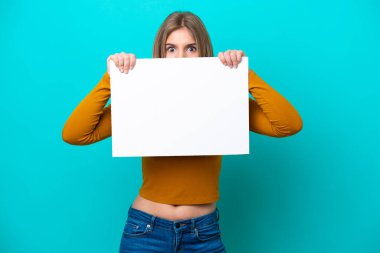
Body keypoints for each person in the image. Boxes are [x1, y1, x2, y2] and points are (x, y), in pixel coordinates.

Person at [62, 11, 303, 253]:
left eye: (190, 48)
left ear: (203, 51)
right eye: (171, 49)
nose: (181, 57)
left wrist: (244, 75)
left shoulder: (225, 100)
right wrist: (110, 79)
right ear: (161, 53)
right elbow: (76, 134)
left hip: (203, 234)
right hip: (145, 231)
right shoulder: (141, 99)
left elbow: (288, 125)